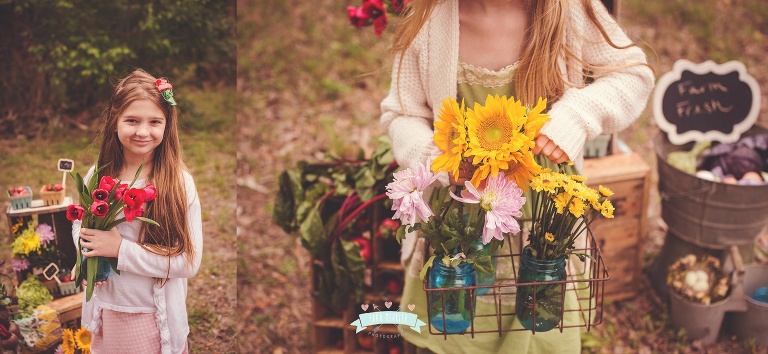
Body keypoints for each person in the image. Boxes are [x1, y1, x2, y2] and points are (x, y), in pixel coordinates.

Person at [380, 0, 654, 352]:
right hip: (458, 216)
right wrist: (435, 157)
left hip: (541, 217)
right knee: (457, 324)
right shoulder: (429, 23)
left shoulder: (566, 10)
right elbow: (400, 114)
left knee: (537, 323)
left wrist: (577, 115)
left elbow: (633, 75)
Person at [71, 69, 203, 354]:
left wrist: (120, 249)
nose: (143, 131)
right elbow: (80, 225)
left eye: (154, 121)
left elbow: (187, 263)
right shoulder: (98, 175)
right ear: (114, 122)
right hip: (103, 310)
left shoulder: (178, 184)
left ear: (167, 125)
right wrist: (85, 254)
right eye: (132, 120)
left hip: (150, 317)